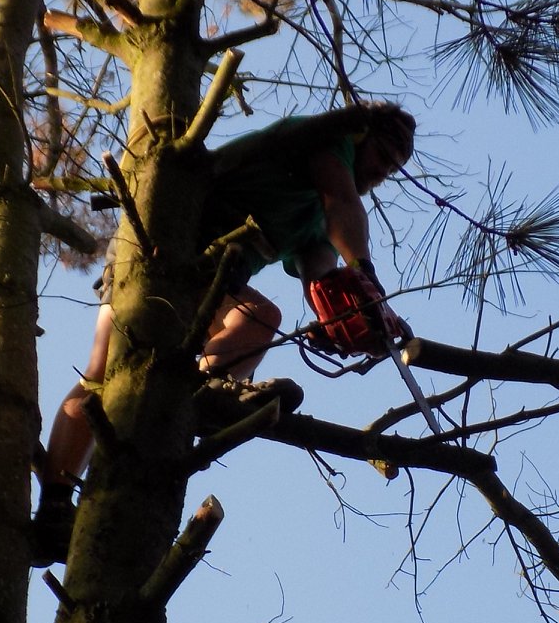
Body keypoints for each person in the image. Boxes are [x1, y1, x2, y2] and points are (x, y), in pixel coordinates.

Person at [32, 102, 416, 563]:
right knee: (102, 370)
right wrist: (366, 275)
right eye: (382, 157)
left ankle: (194, 393)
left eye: (393, 169)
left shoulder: (318, 216)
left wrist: (350, 318)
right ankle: (54, 505)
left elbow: (322, 275)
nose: (381, 172)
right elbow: (344, 205)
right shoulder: (327, 142)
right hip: (159, 246)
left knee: (259, 318)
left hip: (213, 279)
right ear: (362, 139)